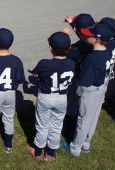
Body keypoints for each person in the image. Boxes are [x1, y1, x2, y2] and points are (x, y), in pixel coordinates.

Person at [64, 23, 112, 157]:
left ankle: (75, 148)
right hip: (101, 88)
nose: (86, 35)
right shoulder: (106, 51)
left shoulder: (92, 57)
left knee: (83, 119)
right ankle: (86, 144)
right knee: (92, 118)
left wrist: (79, 90)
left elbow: (84, 81)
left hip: (90, 90)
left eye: (89, 35)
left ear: (96, 39)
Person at [26, 32, 75, 161]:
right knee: (57, 125)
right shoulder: (71, 63)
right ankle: (50, 153)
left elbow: (36, 73)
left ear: (50, 49)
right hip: (62, 97)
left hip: (46, 97)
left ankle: (37, 152)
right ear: (68, 49)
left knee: (42, 125)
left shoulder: (44, 63)